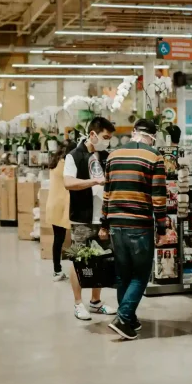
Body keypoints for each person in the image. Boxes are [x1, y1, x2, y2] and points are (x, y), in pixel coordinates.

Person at [102, 119, 167, 340]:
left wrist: (104, 223)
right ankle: (123, 317)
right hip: (139, 225)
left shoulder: (113, 155)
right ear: (152, 137)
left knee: (123, 275)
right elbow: (158, 197)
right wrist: (162, 228)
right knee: (140, 275)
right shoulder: (154, 156)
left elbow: (107, 193)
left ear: (133, 133)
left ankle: (129, 320)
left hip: (115, 224)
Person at [63, 117, 117, 320]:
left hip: (103, 217)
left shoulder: (106, 156)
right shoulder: (74, 156)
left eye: (110, 138)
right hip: (82, 217)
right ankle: (78, 303)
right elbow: (68, 183)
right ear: (92, 134)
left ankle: (95, 301)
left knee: (101, 260)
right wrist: (94, 180)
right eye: (105, 137)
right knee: (79, 260)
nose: (107, 141)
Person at [46, 140, 77, 281]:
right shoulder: (66, 165)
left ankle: (56, 271)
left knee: (58, 239)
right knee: (74, 238)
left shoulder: (55, 162)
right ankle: (78, 271)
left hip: (53, 204)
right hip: (63, 205)